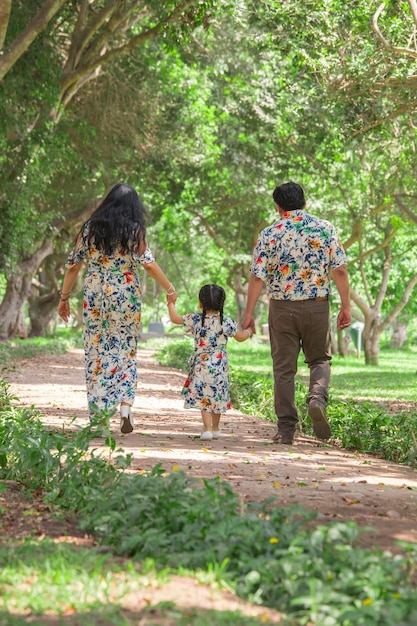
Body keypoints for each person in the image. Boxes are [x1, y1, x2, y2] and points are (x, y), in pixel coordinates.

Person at [57, 183, 177, 434]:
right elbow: (149, 264)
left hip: (96, 294)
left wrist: (64, 297)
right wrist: (169, 288)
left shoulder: (90, 229)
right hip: (126, 295)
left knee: (96, 351)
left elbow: (72, 266)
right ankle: (125, 407)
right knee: (125, 349)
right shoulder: (134, 230)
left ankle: (100, 419)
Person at [242, 181, 351, 445]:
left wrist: (248, 314)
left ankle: (286, 430)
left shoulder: (269, 234)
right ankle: (316, 399)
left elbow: (257, 278)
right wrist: (346, 305)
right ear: (304, 202)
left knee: (283, 369)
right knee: (320, 360)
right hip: (317, 305)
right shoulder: (325, 228)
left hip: (281, 308)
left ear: (278, 207)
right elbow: (340, 270)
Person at [167, 284, 253, 440]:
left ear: (201, 303)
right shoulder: (226, 322)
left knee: (204, 397)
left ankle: (206, 429)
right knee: (217, 395)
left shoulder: (195, 319)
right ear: (223, 303)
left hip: (202, 365)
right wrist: (249, 332)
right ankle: (215, 428)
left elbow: (174, 318)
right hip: (220, 366)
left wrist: (170, 303)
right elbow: (240, 337)